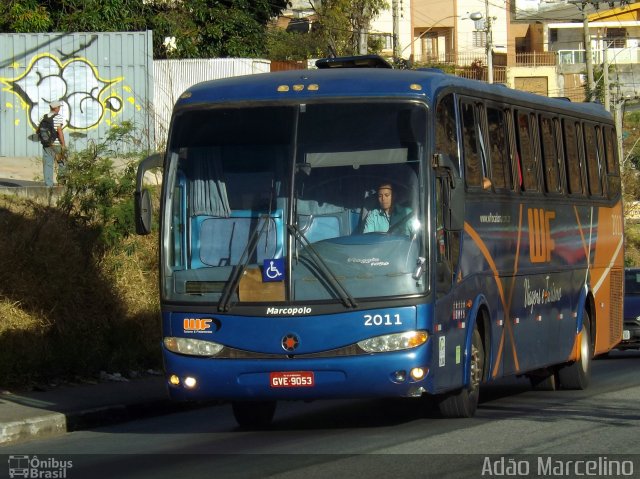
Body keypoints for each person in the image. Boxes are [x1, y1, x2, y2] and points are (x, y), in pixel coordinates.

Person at [40, 100, 66, 187]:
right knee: (62, 163)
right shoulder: (58, 117)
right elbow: (59, 131)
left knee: (48, 164)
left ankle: (49, 186)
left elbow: (38, 130)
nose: (59, 109)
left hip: (46, 144)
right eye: (59, 107)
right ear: (55, 108)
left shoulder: (43, 117)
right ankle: (61, 184)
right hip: (57, 144)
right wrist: (63, 144)